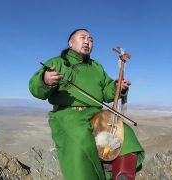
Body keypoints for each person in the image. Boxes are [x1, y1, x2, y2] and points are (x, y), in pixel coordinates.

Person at [29, 29, 144, 180]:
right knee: (81, 140)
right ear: (70, 43)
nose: (87, 41)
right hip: (68, 115)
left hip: (97, 113)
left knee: (124, 132)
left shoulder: (96, 67)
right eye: (82, 37)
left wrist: (118, 87)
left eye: (90, 39)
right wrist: (45, 80)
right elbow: (36, 90)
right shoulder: (56, 62)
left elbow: (107, 91)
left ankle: (122, 175)